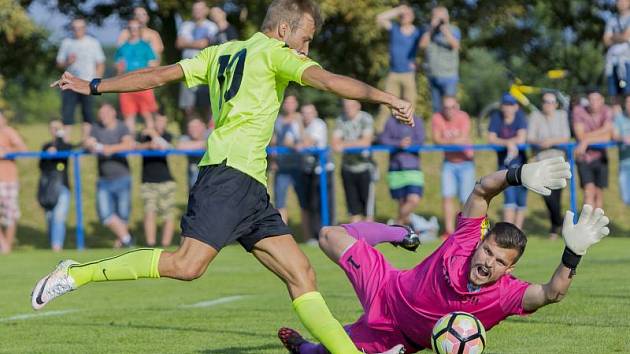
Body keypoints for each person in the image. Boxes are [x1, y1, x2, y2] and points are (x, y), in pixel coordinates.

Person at [39, 1, 414, 354]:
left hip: (250, 185)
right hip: (228, 174)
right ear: (284, 29)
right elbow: (329, 81)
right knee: (187, 265)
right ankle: (78, 273)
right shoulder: (275, 53)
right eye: (305, 38)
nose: (306, 47)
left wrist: (94, 85)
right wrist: (388, 98)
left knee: (301, 273)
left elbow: (158, 75)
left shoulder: (220, 52)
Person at [279, 158, 610, 354]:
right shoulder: (466, 240)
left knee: (333, 349)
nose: (487, 263)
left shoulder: (506, 295)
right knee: (328, 235)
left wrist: (573, 252)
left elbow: (551, 293)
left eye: (499, 262)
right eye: (488, 252)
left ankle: (305, 349)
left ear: (510, 268)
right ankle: (398, 233)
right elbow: (482, 189)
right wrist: (518, 175)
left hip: (398, 337)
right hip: (386, 287)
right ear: (481, 242)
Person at [84, 103, 135, 248]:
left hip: (122, 177)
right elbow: (88, 142)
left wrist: (109, 149)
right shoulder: (96, 127)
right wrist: (90, 144)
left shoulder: (122, 127)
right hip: (103, 179)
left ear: (113, 113)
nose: (103, 116)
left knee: (123, 215)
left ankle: (123, 241)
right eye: (101, 114)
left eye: (106, 113)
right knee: (105, 215)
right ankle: (127, 240)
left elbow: (128, 144)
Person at [527, 92, 571, 239]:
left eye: (551, 102)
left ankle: (554, 227)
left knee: (556, 197)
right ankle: (561, 223)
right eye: (545, 101)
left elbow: (566, 136)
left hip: (558, 161)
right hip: (541, 161)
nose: (548, 104)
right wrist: (540, 143)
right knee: (547, 196)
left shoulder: (562, 116)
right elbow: (530, 137)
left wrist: (550, 142)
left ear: (556, 104)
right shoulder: (535, 116)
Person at [431, 96, 475, 238]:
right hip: (449, 163)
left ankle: (465, 230)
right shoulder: (437, 118)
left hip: (466, 163)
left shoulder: (463, 117)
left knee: (466, 199)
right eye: (446, 107)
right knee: (447, 197)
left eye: (452, 107)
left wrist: (446, 141)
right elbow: (436, 140)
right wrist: (453, 141)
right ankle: (449, 231)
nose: (449, 111)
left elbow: (463, 138)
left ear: (458, 107)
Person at [56, 18, 105, 140]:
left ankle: (85, 143)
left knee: (87, 115)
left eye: (80, 28)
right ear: (72, 29)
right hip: (70, 83)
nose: (77, 30)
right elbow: (59, 63)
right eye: (75, 28)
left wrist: (96, 82)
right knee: (67, 115)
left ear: (85, 28)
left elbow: (100, 63)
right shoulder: (67, 42)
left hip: (88, 83)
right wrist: (68, 61)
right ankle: (65, 144)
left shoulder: (93, 42)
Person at [375, 4, 421, 131]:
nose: (404, 16)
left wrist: (419, 62)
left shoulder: (417, 32)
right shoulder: (394, 29)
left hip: (409, 74)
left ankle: (411, 133)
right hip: (393, 73)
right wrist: (398, 10)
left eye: (407, 14)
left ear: (413, 16)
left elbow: (425, 45)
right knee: (385, 105)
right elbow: (379, 18)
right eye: (403, 15)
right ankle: (379, 133)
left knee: (410, 106)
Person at [487, 93, 528, 230]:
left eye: (511, 105)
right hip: (504, 165)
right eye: (505, 105)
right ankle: (509, 232)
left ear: (516, 107)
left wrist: (508, 142)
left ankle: (517, 232)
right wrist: (508, 143)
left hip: (521, 163)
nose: (508, 108)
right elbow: (491, 138)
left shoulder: (520, 116)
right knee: (509, 198)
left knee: (521, 199)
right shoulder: (496, 117)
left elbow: (522, 138)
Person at [332, 99, 376, 223]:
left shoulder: (366, 119)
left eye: (351, 106)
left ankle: (369, 240)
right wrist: (356, 143)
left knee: (368, 210)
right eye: (346, 106)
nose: (348, 109)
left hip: (365, 167)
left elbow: (365, 142)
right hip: (347, 168)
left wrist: (345, 144)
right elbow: (335, 145)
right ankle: (356, 241)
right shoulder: (340, 120)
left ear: (358, 106)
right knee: (353, 210)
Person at [136, 112, 176, 247]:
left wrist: (154, 136)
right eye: (158, 121)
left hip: (166, 180)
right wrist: (148, 145)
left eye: (163, 121)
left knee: (169, 214)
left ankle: (166, 245)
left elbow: (167, 146)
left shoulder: (167, 135)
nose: (160, 124)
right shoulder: (143, 135)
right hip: (148, 181)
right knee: (149, 212)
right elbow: (134, 146)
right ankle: (151, 245)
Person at [379, 114, 424, 226]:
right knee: (402, 202)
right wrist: (398, 144)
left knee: (413, 200)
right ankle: (403, 233)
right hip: (396, 168)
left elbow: (421, 139)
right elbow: (383, 139)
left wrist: (409, 143)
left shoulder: (417, 121)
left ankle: (396, 223)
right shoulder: (390, 121)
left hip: (413, 167)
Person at [176, 1, 218, 120]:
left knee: (207, 104)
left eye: (200, 9)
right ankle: (192, 131)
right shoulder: (185, 25)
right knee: (188, 105)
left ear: (206, 10)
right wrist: (198, 43)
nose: (197, 11)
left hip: (205, 69)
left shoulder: (212, 26)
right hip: (186, 69)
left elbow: (206, 43)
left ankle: (207, 132)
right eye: (195, 9)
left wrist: (187, 43)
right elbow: (179, 43)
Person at [572, 89, 614, 210]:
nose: (593, 102)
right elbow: (580, 135)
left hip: (601, 157)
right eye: (591, 100)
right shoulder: (579, 111)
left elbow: (608, 136)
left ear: (602, 100)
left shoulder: (607, 110)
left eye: (596, 99)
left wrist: (586, 140)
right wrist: (598, 135)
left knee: (599, 194)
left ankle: (597, 227)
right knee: (588, 192)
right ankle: (587, 225)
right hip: (584, 157)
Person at [298, 103, 334, 245]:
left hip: (322, 171)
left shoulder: (318, 124)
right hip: (308, 170)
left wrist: (299, 132)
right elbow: (289, 142)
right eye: (303, 113)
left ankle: (329, 236)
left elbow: (307, 142)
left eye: (309, 112)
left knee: (324, 205)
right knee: (311, 205)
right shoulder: (301, 125)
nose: (306, 116)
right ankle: (315, 236)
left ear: (315, 113)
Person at [115, 19, 159, 132]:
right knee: (129, 116)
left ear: (140, 30)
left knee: (147, 114)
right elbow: (118, 68)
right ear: (128, 30)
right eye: (131, 28)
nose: (133, 31)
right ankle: (130, 144)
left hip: (143, 85)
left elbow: (152, 66)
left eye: (136, 28)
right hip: (126, 85)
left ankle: (151, 141)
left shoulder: (146, 46)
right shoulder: (122, 48)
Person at [272, 94, 308, 225]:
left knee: (304, 202)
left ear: (296, 104)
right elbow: (274, 142)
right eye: (287, 102)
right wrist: (274, 161)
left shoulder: (301, 119)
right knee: (280, 202)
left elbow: (306, 140)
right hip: (282, 167)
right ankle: (283, 233)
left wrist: (299, 122)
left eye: (292, 102)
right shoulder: (278, 121)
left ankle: (308, 237)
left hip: (299, 166)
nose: (289, 105)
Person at [39, 120, 73, 251]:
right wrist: (48, 154)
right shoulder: (46, 146)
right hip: (48, 187)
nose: (55, 130)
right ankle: (53, 244)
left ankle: (57, 246)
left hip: (62, 185)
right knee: (49, 217)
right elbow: (41, 166)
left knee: (59, 216)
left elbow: (66, 150)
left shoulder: (64, 145)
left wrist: (59, 141)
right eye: (52, 128)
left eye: (57, 128)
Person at [419, 6, 461, 113]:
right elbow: (422, 45)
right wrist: (432, 28)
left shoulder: (454, 30)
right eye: (436, 16)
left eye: (442, 17)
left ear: (447, 17)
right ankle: (438, 129)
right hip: (433, 75)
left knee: (450, 107)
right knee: (437, 108)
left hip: (449, 75)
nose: (439, 19)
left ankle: (453, 129)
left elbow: (456, 45)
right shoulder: (428, 30)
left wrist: (445, 31)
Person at [0, 110, 27, 254]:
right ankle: (3, 245)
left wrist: (6, 151)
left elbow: (23, 149)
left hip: (8, 180)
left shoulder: (9, 132)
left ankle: (7, 248)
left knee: (10, 216)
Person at [603, 0, 630, 107]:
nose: (621, 3)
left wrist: (613, 37)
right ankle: (617, 121)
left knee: (627, 93)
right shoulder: (612, 20)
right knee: (614, 94)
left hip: (627, 63)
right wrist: (621, 37)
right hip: (613, 63)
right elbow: (605, 40)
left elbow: (626, 36)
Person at [176, 117, 209, 190]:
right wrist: (202, 144)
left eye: (196, 127)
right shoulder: (186, 138)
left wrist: (192, 145)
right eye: (190, 127)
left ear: (203, 126)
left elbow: (210, 144)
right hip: (193, 180)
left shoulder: (210, 135)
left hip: (209, 178)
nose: (193, 129)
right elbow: (180, 146)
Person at [613, 94, 630, 205]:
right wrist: (623, 138)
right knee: (626, 199)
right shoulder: (619, 118)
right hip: (625, 163)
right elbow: (614, 135)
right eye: (628, 102)